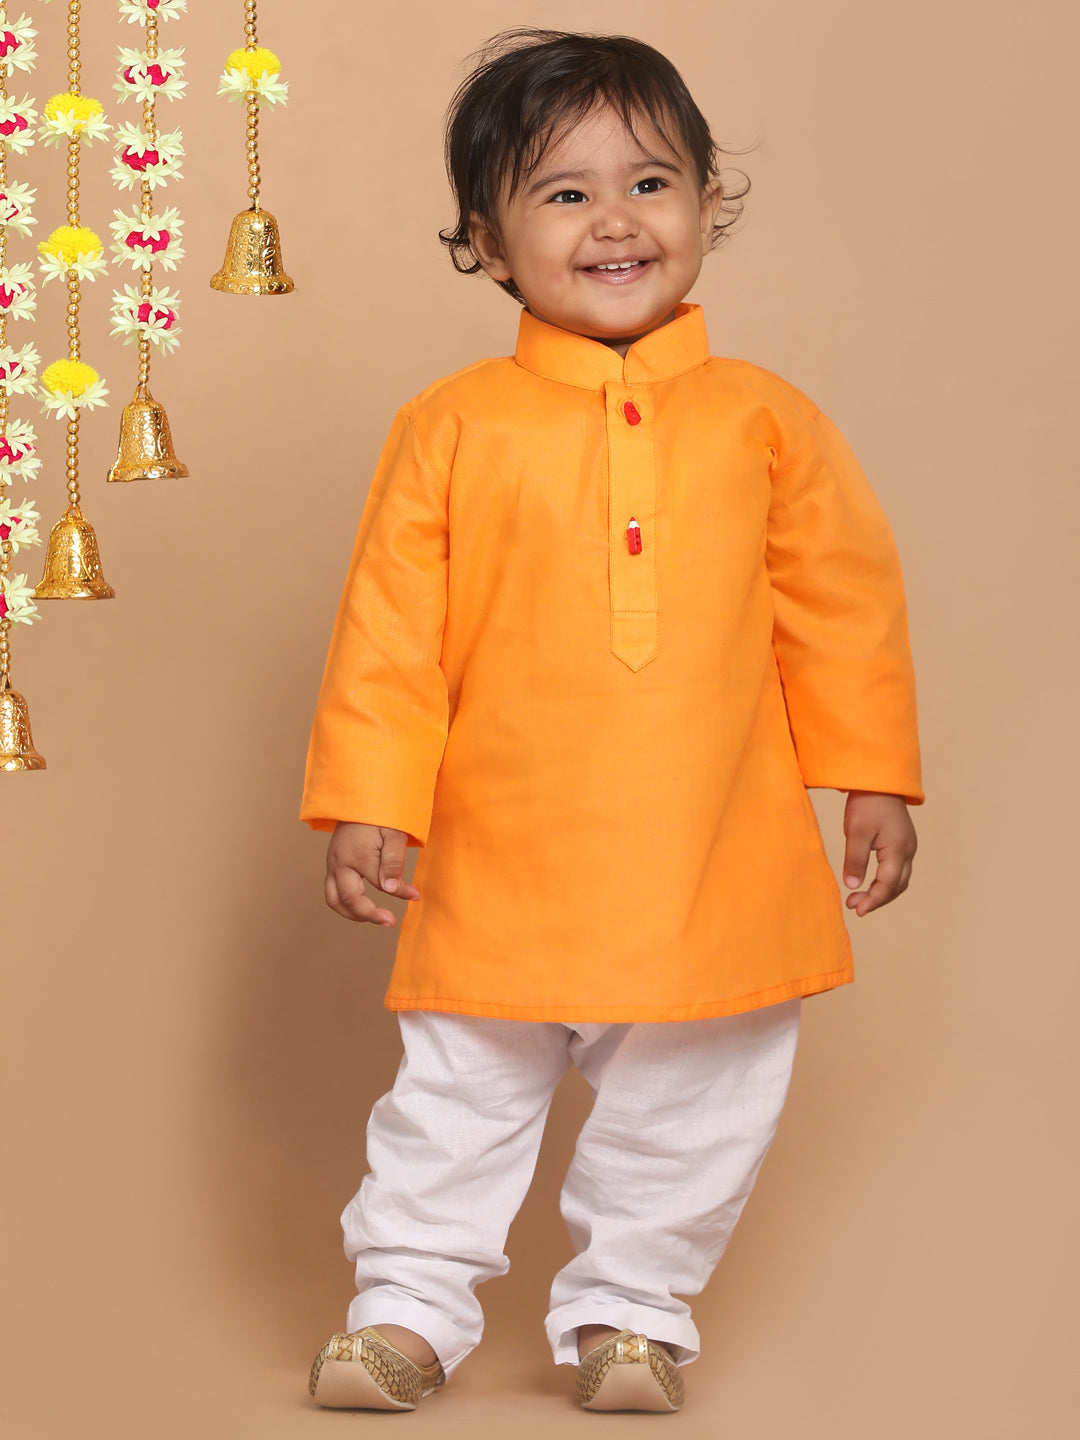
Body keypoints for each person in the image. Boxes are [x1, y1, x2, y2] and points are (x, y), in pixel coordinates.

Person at [299, 27, 922, 1414]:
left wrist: (874, 777)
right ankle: (403, 1316)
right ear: (488, 240)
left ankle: (632, 1317)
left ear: (708, 201)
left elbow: (842, 611)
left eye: (651, 182)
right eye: (565, 193)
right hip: (498, 853)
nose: (617, 220)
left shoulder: (768, 422)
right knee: (455, 1099)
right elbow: (390, 634)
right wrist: (370, 801)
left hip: (714, 853)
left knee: (698, 1100)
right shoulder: (453, 425)